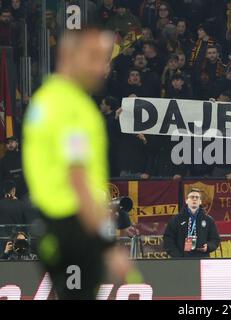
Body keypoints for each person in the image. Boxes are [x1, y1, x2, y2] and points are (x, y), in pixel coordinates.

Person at [22, 29, 131, 300]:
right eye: (93, 58)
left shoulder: (45, 99)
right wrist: (107, 243)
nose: (102, 67)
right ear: (68, 56)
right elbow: (77, 177)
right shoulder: (72, 108)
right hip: (74, 230)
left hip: (50, 225)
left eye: (104, 59)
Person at [163, 189, 220, 258]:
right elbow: (168, 239)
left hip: (201, 258)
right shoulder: (176, 219)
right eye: (192, 197)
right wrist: (178, 256)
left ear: (200, 201)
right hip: (181, 259)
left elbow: (215, 239)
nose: (194, 199)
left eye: (197, 197)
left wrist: (208, 246)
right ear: (186, 201)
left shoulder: (208, 220)